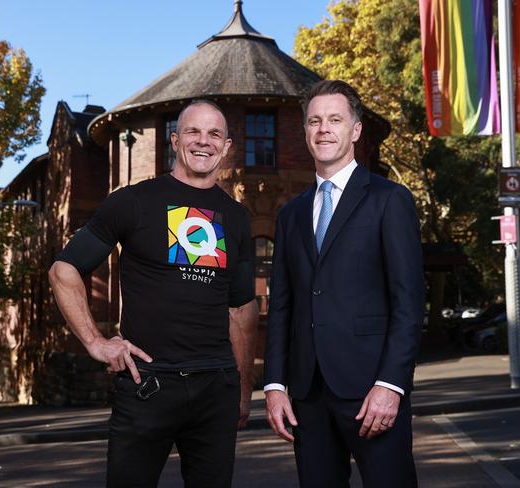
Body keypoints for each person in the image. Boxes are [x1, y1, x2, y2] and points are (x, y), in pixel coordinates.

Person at [49, 99, 258, 488]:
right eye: (193, 131)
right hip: (147, 384)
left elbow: (241, 310)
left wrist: (244, 392)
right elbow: (64, 270)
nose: (204, 141)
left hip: (216, 387)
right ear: (174, 140)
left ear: (227, 147)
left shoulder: (236, 217)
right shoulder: (132, 201)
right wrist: (95, 342)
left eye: (215, 134)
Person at [263, 80, 424, 487]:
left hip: (372, 390)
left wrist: (391, 384)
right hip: (307, 395)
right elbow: (283, 306)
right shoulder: (291, 215)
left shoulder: (389, 200)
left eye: (335, 119)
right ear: (305, 132)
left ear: (355, 130)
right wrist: (275, 385)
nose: (323, 129)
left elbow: (408, 302)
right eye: (315, 121)